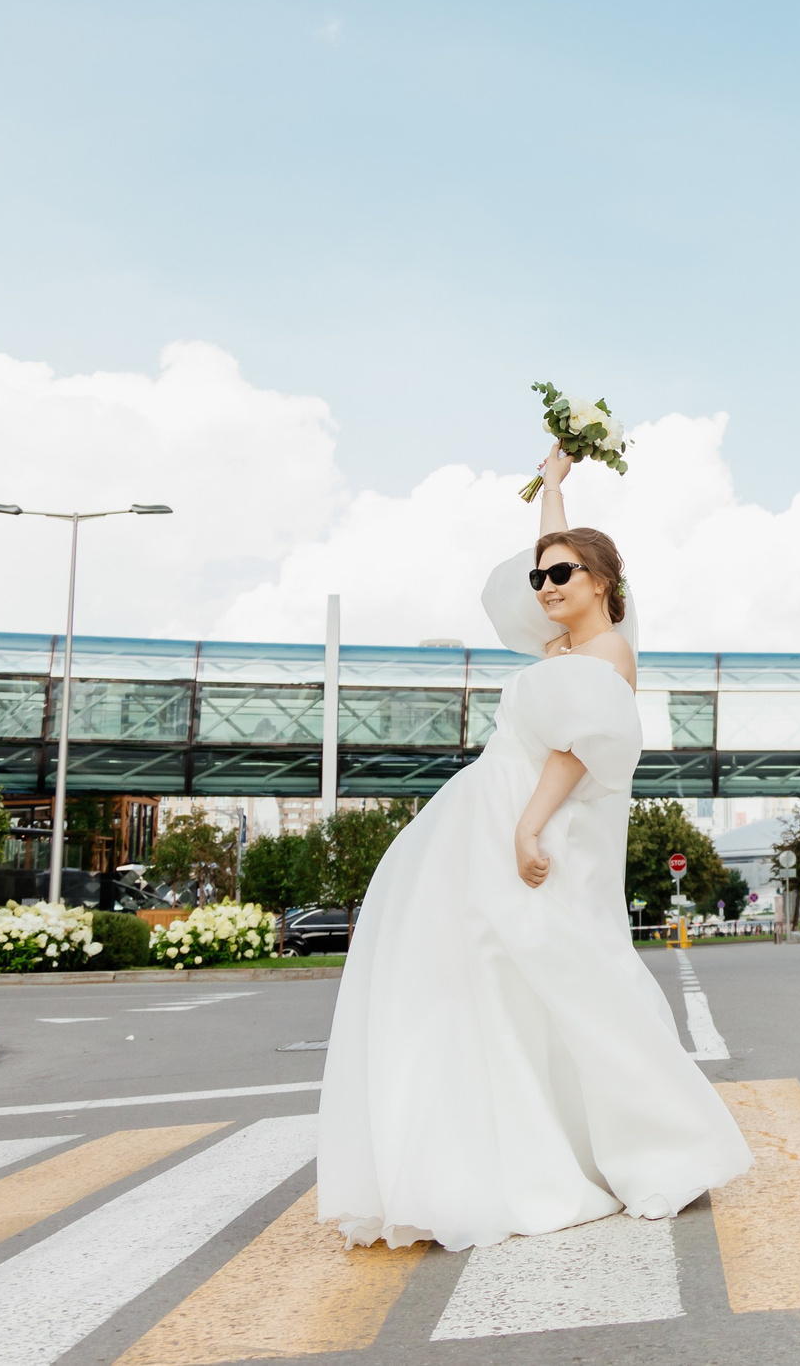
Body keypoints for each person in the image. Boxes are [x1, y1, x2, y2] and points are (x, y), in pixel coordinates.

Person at [315, 445, 751, 1248]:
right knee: (503, 980)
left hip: (548, 830)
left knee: (573, 977)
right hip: (502, 817)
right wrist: (552, 489)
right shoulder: (560, 647)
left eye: (563, 575)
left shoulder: (608, 651)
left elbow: (580, 747)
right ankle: (527, 1147)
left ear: (603, 584)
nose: (547, 585)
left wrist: (527, 824)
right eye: (541, 576)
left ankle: (661, 1145)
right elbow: (556, 562)